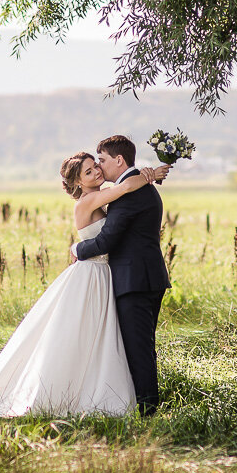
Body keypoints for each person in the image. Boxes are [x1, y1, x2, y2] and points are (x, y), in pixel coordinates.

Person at [0, 151, 168, 417]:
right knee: (80, 334)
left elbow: (124, 190)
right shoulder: (89, 200)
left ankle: (99, 385)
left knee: (101, 335)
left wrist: (145, 174)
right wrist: (152, 173)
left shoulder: (104, 193)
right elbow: (127, 185)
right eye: (89, 172)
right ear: (79, 182)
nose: (96, 172)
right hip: (91, 275)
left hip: (106, 275)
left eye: (95, 166)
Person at [71, 135, 169, 416]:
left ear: (119, 160)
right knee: (140, 347)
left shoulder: (130, 194)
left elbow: (105, 242)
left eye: (100, 161)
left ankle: (148, 413)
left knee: (139, 350)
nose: (99, 168)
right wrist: (149, 174)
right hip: (145, 277)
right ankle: (139, 405)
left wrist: (77, 248)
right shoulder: (135, 188)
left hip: (134, 281)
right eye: (92, 167)